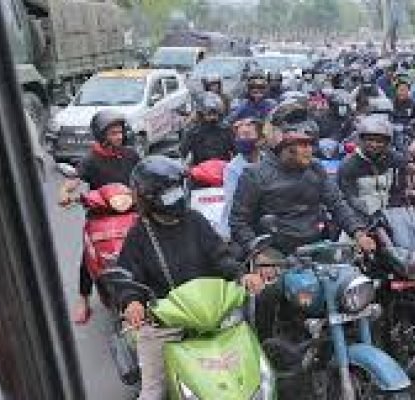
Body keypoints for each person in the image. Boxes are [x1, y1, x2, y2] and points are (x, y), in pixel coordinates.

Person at [115, 155, 264, 400]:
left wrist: (242, 275)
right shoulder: (139, 234)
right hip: (165, 322)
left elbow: (220, 256)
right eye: (168, 192)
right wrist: (132, 302)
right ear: (148, 198)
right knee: (153, 392)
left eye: (177, 188)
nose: (175, 196)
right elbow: (128, 277)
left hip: (213, 315)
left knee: (255, 371)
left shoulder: (195, 220)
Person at [229, 98, 376, 255]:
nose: (309, 150)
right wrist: (259, 253)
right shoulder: (254, 175)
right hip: (274, 253)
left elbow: (337, 204)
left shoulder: (316, 168)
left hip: (316, 247)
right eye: (302, 144)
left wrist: (359, 233)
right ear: (282, 146)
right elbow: (238, 222)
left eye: (311, 144)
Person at [58, 110, 140, 324]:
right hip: (101, 213)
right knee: (88, 254)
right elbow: (75, 179)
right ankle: (83, 298)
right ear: (101, 135)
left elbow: (143, 173)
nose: (119, 137)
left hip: (130, 210)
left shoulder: (130, 155)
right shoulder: (91, 159)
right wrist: (64, 191)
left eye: (120, 132)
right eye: (113, 133)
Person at [337, 115, 410, 220]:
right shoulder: (348, 165)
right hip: (359, 219)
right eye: (370, 140)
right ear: (361, 140)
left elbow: (398, 191)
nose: (374, 145)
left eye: (379, 141)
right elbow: (349, 197)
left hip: (391, 217)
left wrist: (393, 211)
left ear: (387, 143)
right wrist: (368, 215)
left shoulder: (395, 160)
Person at [218, 117, 263, 241]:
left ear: (261, 139)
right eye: (239, 136)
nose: (242, 139)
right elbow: (232, 204)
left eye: (247, 135)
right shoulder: (233, 169)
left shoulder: (267, 161)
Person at [179, 92, 234, 165]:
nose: (212, 117)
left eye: (215, 114)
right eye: (209, 114)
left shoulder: (226, 129)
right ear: (201, 114)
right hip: (201, 168)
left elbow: (235, 150)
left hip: (223, 167)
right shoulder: (193, 132)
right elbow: (183, 152)